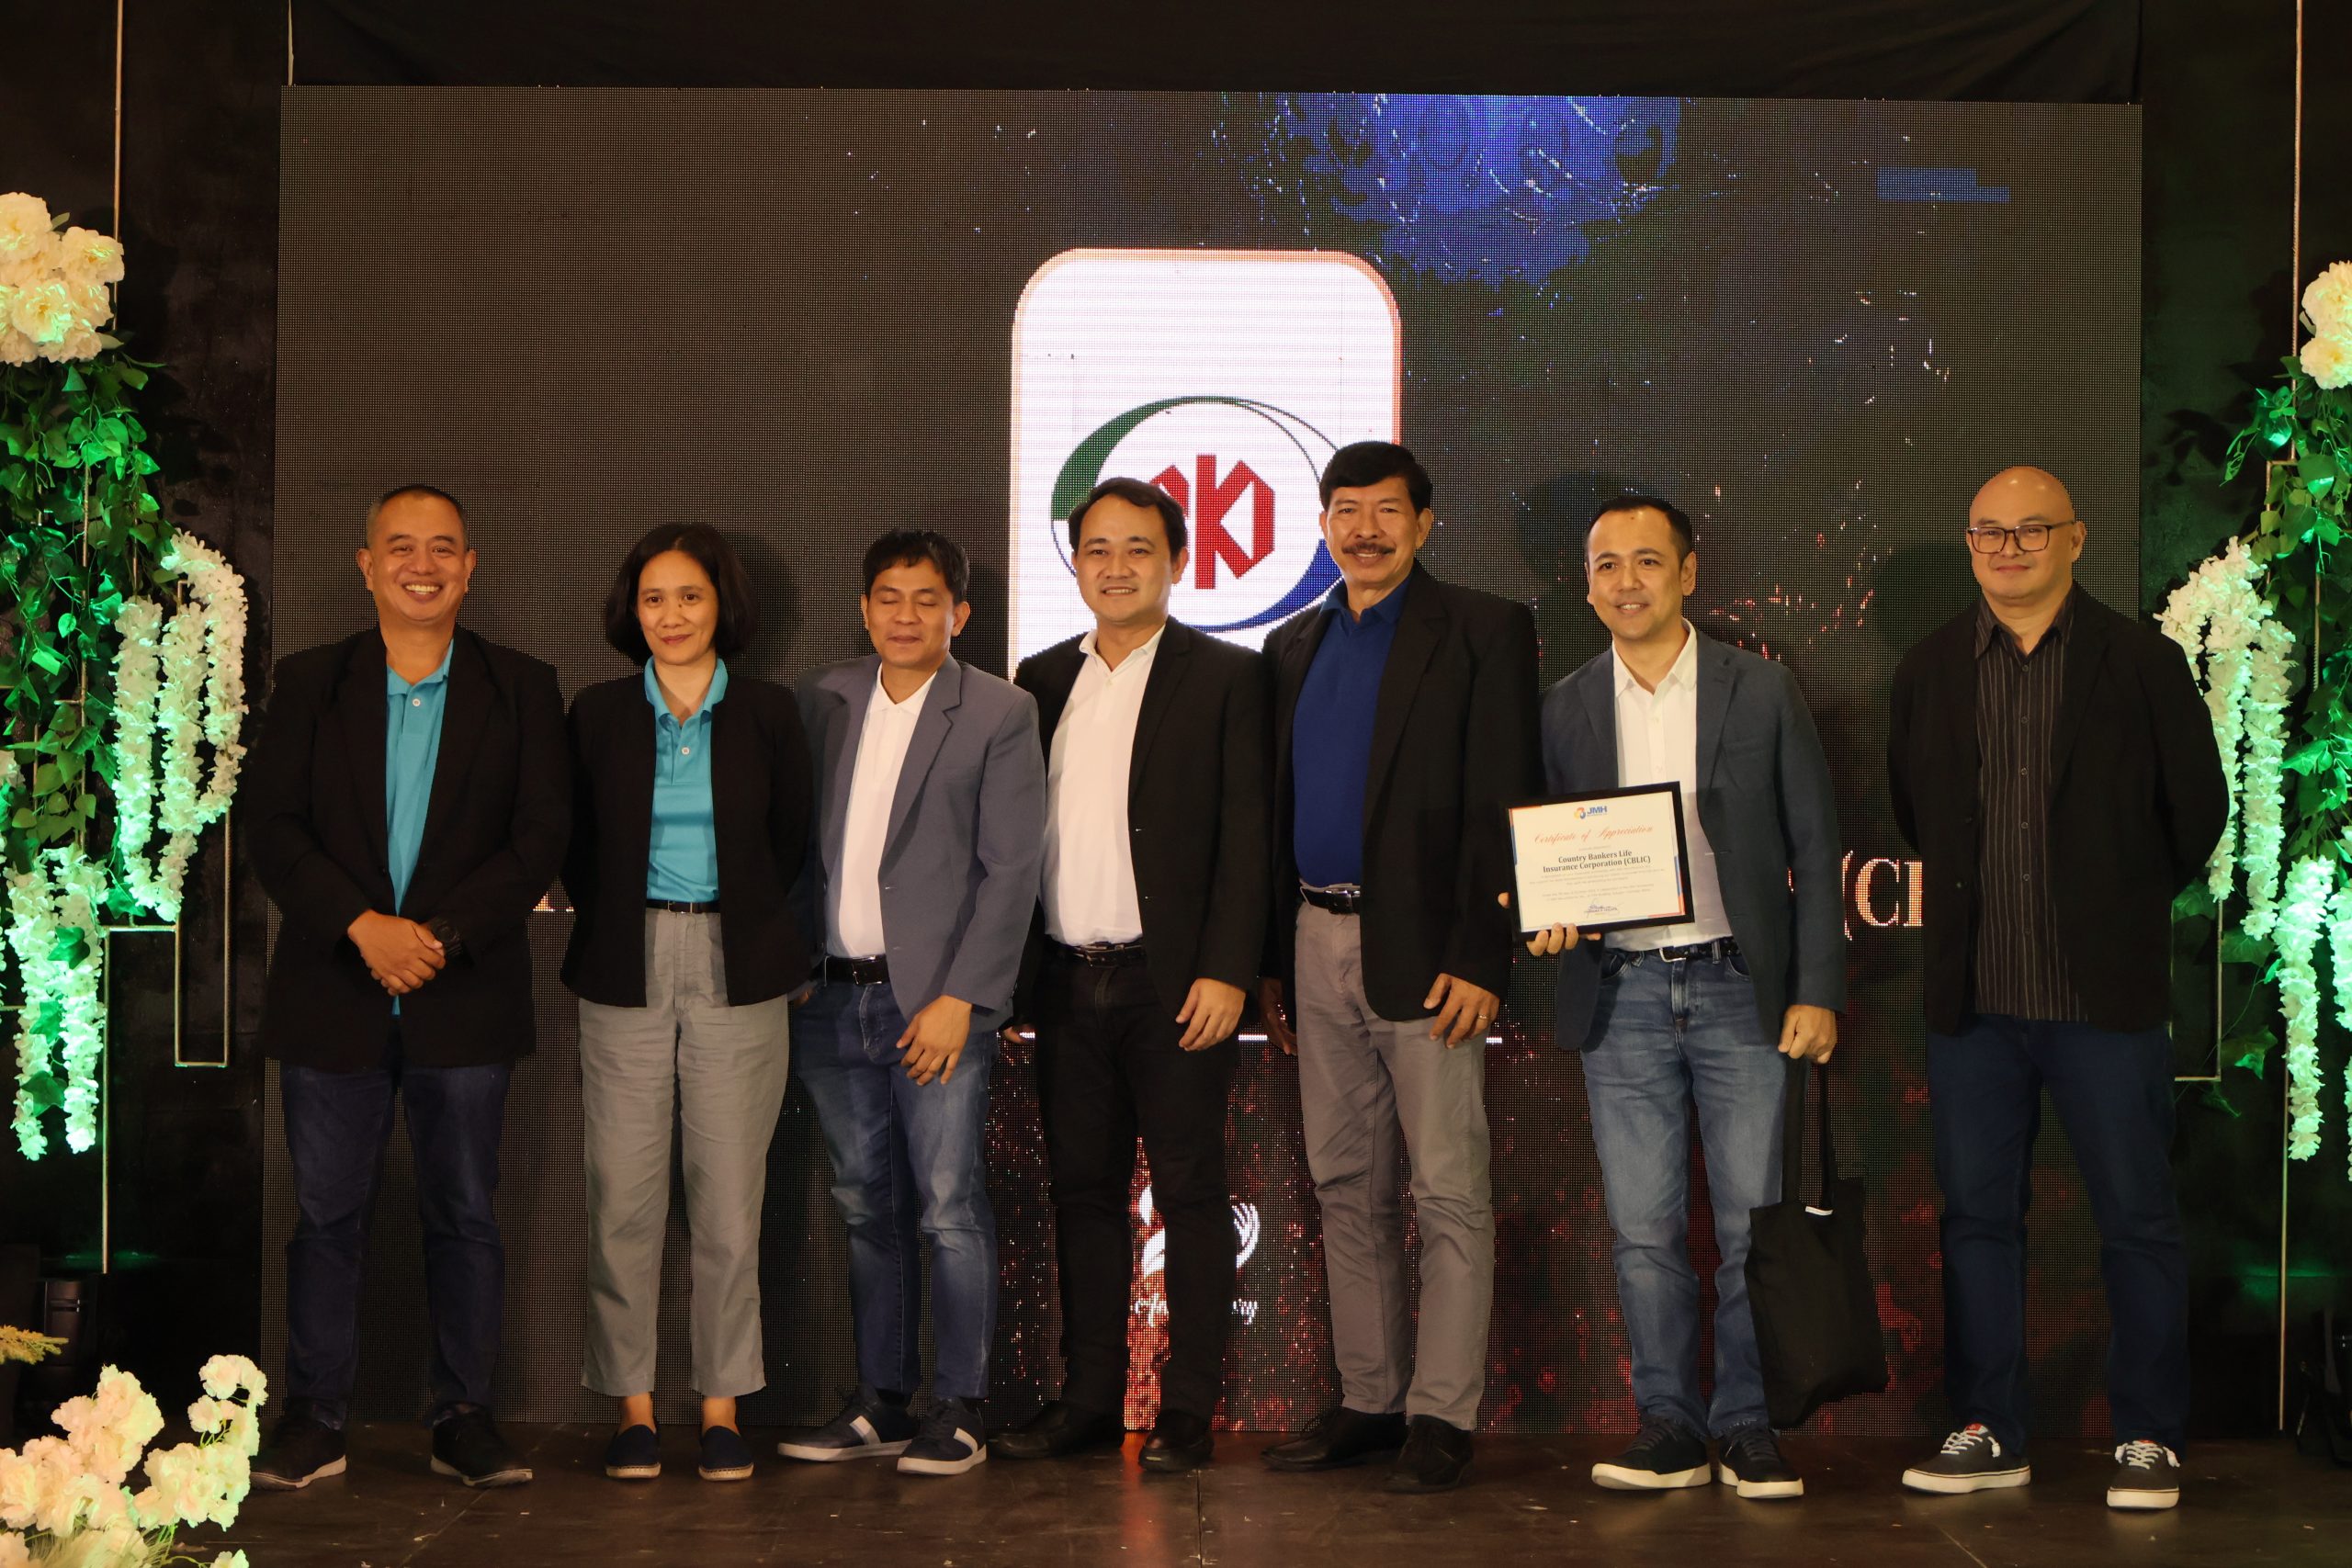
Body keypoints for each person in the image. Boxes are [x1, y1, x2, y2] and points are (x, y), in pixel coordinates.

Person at [1888, 466, 2224, 1511]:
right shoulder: (1932, 666)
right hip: (1975, 1003)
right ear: (1969, 545)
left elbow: (2197, 810)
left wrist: (2115, 903)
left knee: (2137, 1219)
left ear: (2075, 539)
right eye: (1990, 532)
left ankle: (2149, 1437)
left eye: (2032, 530)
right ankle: (1989, 1428)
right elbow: (1912, 810)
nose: (2009, 548)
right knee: (1976, 1221)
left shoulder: (2140, 660)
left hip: (2103, 1001)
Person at [243, 484, 567, 1491]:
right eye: (400, 547)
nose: (420, 565)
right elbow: (273, 829)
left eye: (441, 548)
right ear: (366, 564)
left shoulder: (522, 687)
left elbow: (539, 839)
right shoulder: (311, 682)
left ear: (469, 567)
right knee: (325, 1219)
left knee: (464, 1215)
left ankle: (462, 1417)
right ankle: (314, 1418)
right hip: (331, 992)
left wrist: (437, 937)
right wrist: (363, 927)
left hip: (462, 995)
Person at [1525, 495, 1843, 1500]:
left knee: (1753, 1229)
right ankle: (1667, 1423)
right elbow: (1549, 848)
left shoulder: (1762, 688)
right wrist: (1550, 914)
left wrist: (1818, 988)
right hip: (1619, 993)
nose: (1627, 582)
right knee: (1643, 1232)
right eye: (1606, 565)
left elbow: (1815, 849)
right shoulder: (1564, 705)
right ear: (1586, 585)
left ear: (1688, 573)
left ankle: (1747, 1426)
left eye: (1648, 562)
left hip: (1740, 989)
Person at [1256, 441, 1538, 1493]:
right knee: (1344, 1187)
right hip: (1314, 937)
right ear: (1323, 525)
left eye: (1385, 511)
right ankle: (1370, 1401)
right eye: (1345, 510)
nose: (1363, 530)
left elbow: (1505, 795)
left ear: (1424, 523)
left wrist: (1482, 952)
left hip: (1430, 956)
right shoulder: (1291, 642)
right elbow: (1275, 812)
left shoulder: (1482, 630)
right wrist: (1271, 963)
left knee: (1447, 1191)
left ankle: (1441, 1415)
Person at [994, 479, 1270, 1473]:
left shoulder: (1229, 676)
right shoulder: (1038, 679)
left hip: (1175, 985)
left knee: (1191, 1196)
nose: (1116, 567)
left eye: (1138, 548)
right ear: (1075, 563)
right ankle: (1087, 1400)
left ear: (1178, 561)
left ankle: (1187, 1408)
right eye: (1097, 549)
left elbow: (1250, 837)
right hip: (1067, 982)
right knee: (1081, 1194)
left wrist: (1230, 970)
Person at [775, 529, 1046, 1477]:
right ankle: (881, 1401)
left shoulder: (1000, 711)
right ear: (864, 608)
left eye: (926, 599)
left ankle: (960, 1407)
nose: (905, 615)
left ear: (958, 613)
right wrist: (791, 959)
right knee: (864, 1205)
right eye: (888, 597)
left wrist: (963, 996)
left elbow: (1012, 870)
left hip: (934, 1004)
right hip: (828, 998)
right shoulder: (822, 698)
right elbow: (790, 841)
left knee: (947, 1207)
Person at [561, 523, 812, 1484]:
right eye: (654, 598)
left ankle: (720, 1409)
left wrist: (734, 919)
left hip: (736, 964)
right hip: (623, 963)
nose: (671, 615)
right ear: (633, 611)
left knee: (729, 1204)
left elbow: (789, 842)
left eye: (690, 596)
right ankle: (632, 1408)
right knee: (621, 1199)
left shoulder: (768, 712)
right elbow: (577, 847)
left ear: (723, 607)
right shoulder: (596, 713)